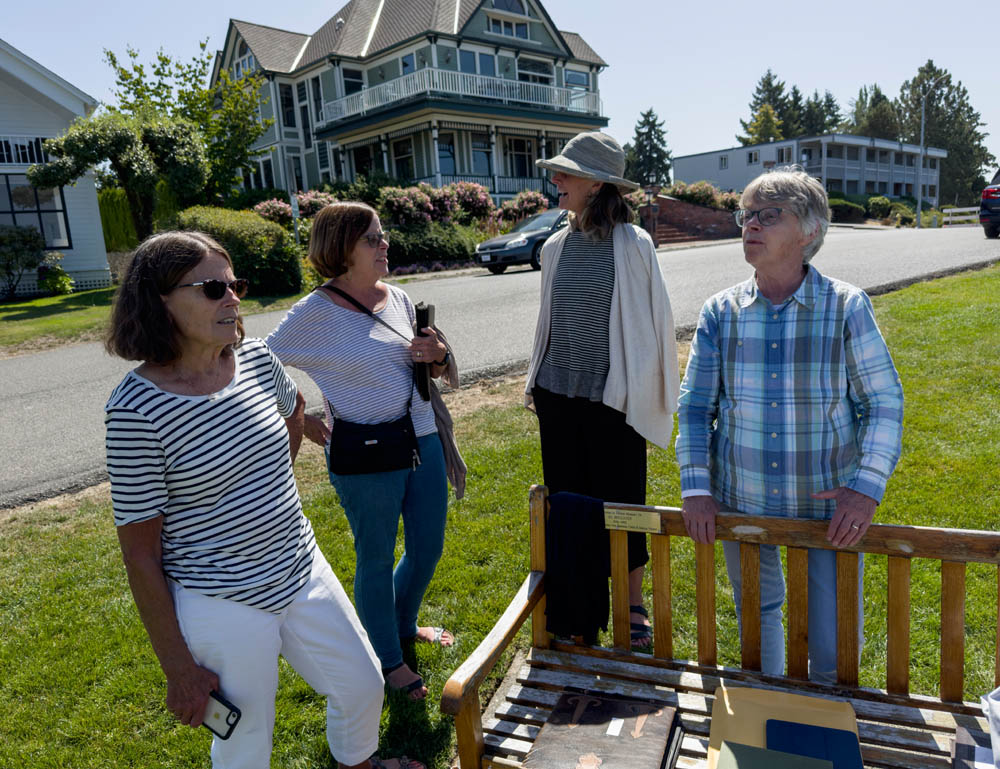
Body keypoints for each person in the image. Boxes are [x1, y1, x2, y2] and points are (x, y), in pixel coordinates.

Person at [105, 231, 423, 769]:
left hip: (300, 566)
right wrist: (178, 668)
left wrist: (266, 477)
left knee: (363, 684)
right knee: (245, 740)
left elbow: (294, 406)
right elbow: (139, 554)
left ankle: (358, 764)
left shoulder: (254, 358)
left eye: (235, 286)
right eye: (212, 288)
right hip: (220, 597)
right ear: (158, 300)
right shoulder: (135, 409)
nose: (233, 299)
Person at [676, 166, 904, 682]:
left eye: (768, 214)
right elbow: (694, 408)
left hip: (827, 506)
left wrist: (864, 489)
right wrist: (696, 488)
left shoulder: (845, 306)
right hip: (742, 496)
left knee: (832, 633)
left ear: (810, 231)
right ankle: (766, 711)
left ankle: (825, 718)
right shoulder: (721, 312)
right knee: (758, 619)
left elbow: (884, 402)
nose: (749, 225)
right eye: (746, 214)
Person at [267, 202, 461, 701]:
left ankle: (403, 622)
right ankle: (387, 658)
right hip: (364, 452)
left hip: (422, 439)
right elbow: (254, 364)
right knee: (374, 557)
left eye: (383, 235)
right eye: (372, 239)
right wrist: (300, 416)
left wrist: (436, 355)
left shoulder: (397, 297)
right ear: (341, 249)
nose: (385, 244)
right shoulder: (314, 313)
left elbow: (422, 363)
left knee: (427, 547)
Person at [525, 131, 680, 646]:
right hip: (558, 397)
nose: (556, 180)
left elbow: (653, 323)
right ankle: (579, 612)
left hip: (613, 400)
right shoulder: (554, 245)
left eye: (566, 173)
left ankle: (632, 607)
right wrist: (537, 383)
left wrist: (649, 390)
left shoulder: (633, 244)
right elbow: (548, 322)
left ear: (597, 183)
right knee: (569, 509)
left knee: (623, 504)